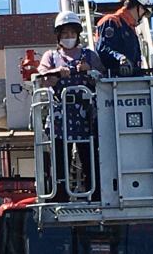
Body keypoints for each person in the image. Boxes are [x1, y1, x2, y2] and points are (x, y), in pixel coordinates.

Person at [37, 11, 105, 200]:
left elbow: (103, 77)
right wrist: (57, 71)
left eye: (72, 34)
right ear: (58, 36)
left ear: (78, 35)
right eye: (65, 34)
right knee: (60, 158)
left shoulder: (89, 55)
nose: (69, 38)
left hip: (85, 116)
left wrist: (90, 70)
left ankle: (95, 195)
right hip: (60, 115)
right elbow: (41, 77)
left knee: (89, 156)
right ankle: (59, 196)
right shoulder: (51, 56)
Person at [94, 0, 153, 76]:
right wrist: (120, 58)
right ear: (139, 7)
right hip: (112, 79)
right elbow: (103, 48)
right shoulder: (112, 21)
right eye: (144, 12)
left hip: (131, 79)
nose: (143, 16)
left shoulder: (131, 28)